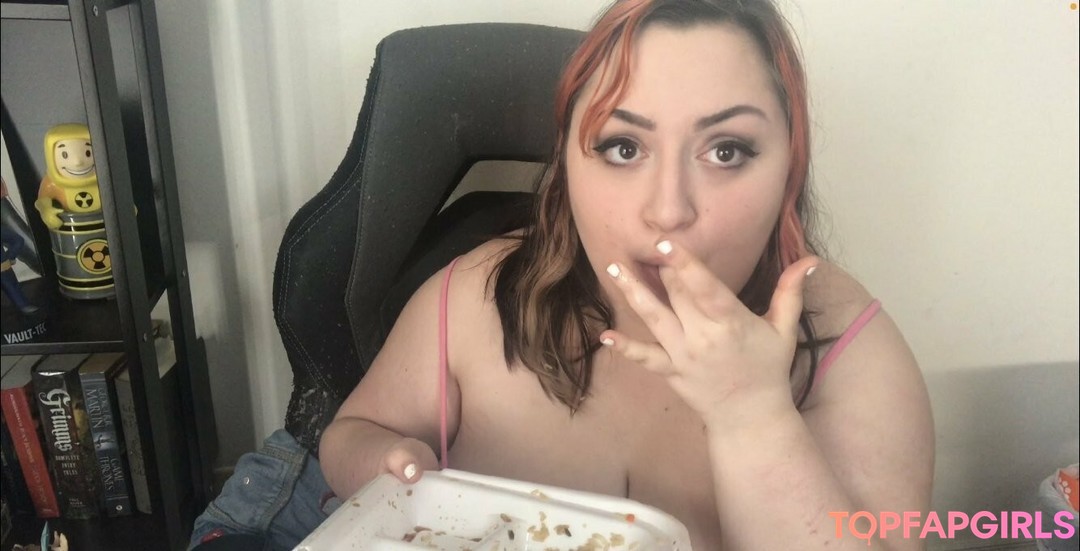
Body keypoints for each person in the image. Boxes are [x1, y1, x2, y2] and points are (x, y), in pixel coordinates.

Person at [191, 0, 934, 549]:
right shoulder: (476, 294)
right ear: (567, 167)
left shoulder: (849, 346)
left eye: (726, 151)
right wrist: (390, 465)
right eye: (622, 148)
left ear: (788, 169)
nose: (668, 209)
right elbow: (352, 434)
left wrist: (754, 416)